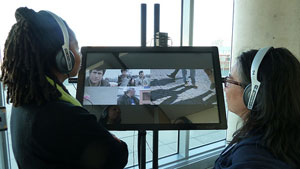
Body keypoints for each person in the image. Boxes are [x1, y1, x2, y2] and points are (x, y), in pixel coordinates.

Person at [1, 7, 128, 169]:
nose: (79, 55)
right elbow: (118, 155)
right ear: (64, 57)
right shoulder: (63, 115)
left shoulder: (26, 102)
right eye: (76, 47)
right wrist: (112, 138)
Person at [215, 47, 300, 169]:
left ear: (252, 94)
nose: (225, 87)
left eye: (230, 81)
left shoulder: (252, 157)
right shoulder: (284, 133)